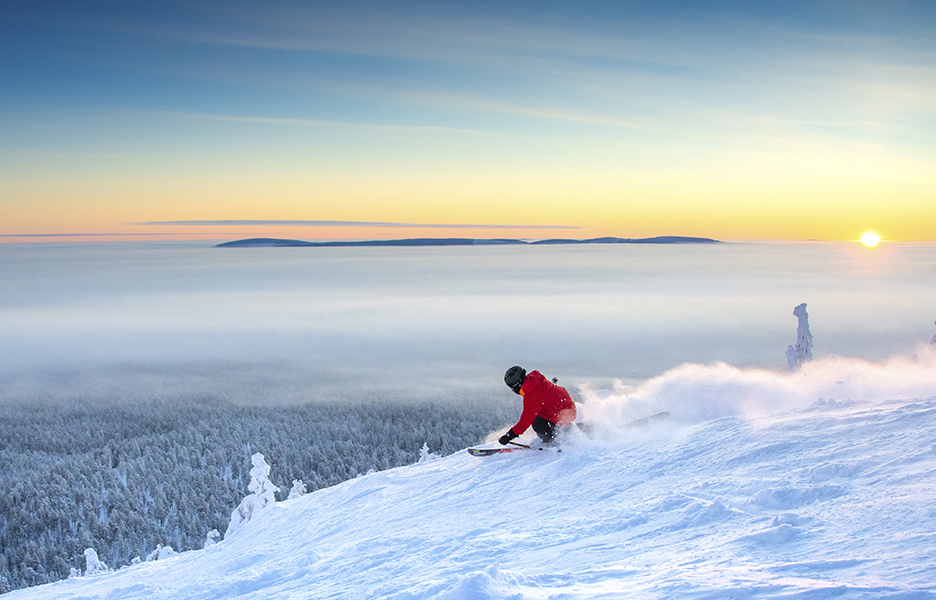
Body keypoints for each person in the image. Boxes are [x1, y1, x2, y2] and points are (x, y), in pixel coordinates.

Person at [498, 366, 577, 446]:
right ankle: (562, 429)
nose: (512, 390)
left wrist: (509, 436)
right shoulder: (534, 380)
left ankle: (550, 442)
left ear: (517, 384)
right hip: (568, 409)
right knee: (538, 412)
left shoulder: (532, 395)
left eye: (511, 387)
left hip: (563, 415)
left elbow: (525, 421)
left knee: (536, 421)